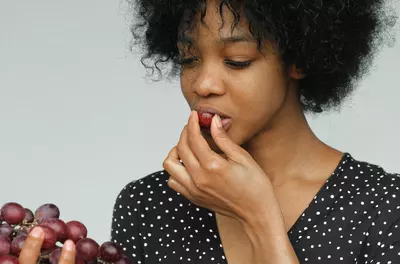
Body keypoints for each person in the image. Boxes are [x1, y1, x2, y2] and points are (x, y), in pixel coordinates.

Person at [18, 0, 397, 263]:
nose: (203, 84)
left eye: (237, 61)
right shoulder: (148, 205)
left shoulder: (382, 207)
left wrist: (259, 219)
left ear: (298, 59)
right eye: (189, 58)